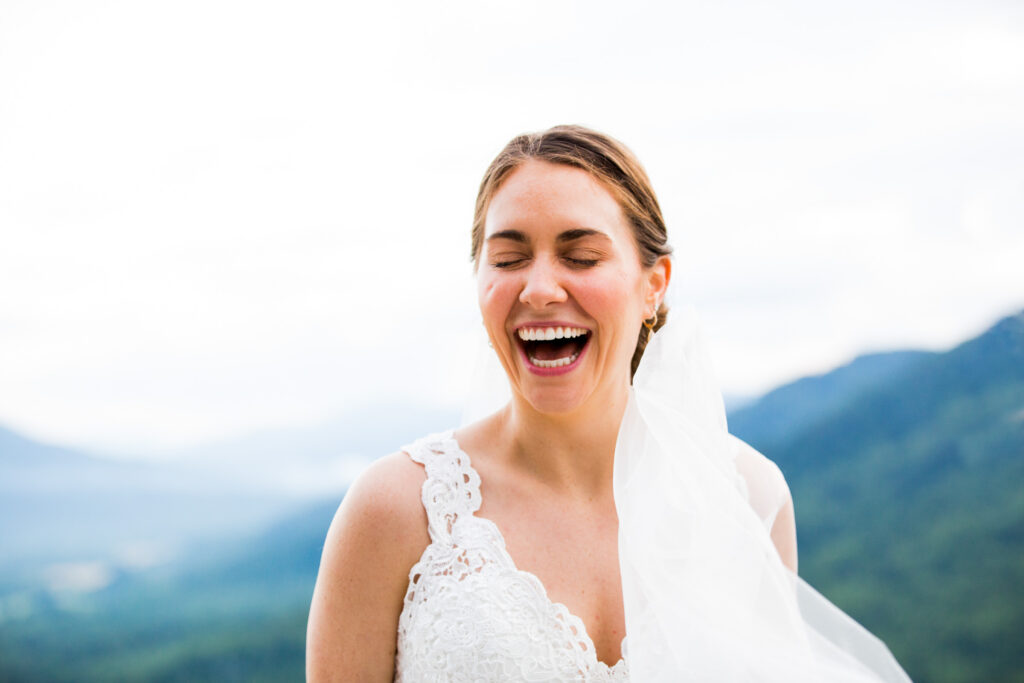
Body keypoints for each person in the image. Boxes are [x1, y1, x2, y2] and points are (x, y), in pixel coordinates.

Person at [306, 125, 910, 682]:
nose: (539, 288)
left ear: (655, 285)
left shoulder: (749, 498)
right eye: (509, 259)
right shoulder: (394, 512)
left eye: (582, 256)